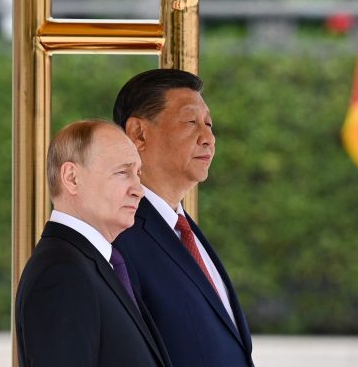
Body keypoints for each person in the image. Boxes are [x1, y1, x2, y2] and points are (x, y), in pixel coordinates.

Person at [112, 69, 254, 367]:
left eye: (209, 124)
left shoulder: (183, 228)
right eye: (191, 122)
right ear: (138, 133)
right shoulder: (116, 236)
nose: (209, 138)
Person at [15, 120, 172, 367]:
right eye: (123, 172)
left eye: (138, 173)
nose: (138, 189)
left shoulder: (95, 265)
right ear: (72, 178)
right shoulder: (62, 274)